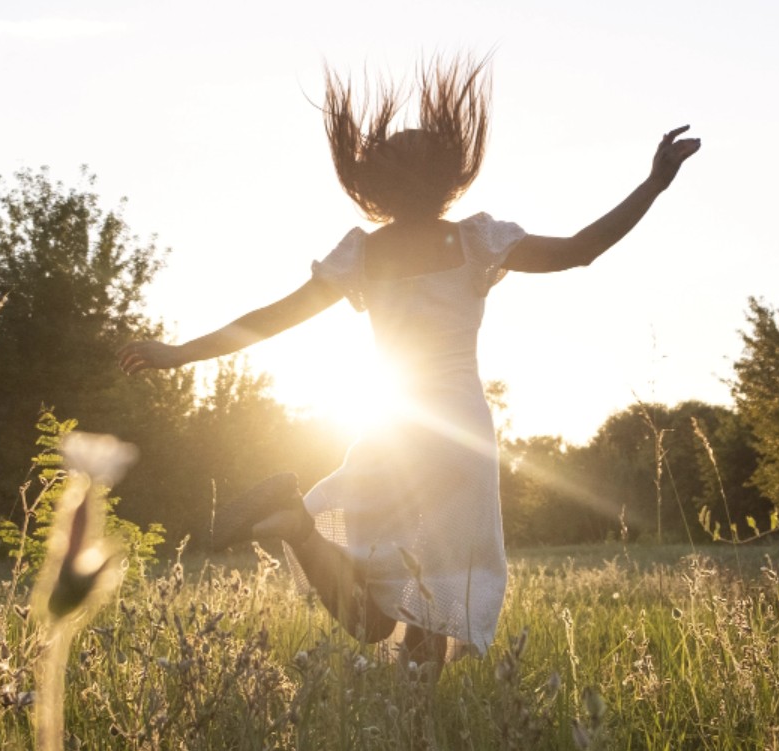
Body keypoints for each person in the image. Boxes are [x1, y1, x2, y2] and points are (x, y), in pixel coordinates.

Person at [118, 55, 700, 673]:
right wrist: (653, 185)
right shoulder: (476, 241)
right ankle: (312, 553)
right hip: (458, 435)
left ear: (379, 186)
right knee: (432, 596)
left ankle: (297, 527)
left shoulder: (362, 254)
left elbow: (271, 318)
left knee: (381, 614)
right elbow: (581, 251)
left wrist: (180, 353)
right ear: (450, 178)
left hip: (390, 430)